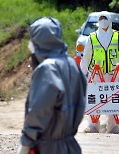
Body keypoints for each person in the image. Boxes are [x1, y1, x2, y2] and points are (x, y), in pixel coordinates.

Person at [17, 17, 87, 154]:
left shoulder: (47, 69)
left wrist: (26, 142)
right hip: (70, 146)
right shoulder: (72, 65)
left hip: (47, 148)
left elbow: (40, 110)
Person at [80, 11, 119, 133]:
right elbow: (86, 56)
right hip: (96, 74)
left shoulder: (118, 37)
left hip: (113, 74)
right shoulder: (92, 37)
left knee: (113, 99)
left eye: (105, 18)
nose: (103, 21)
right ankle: (93, 126)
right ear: (98, 21)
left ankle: (113, 126)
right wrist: (82, 71)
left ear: (110, 20)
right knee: (94, 98)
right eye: (101, 18)